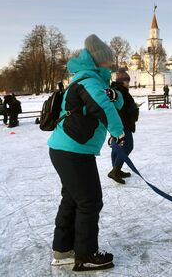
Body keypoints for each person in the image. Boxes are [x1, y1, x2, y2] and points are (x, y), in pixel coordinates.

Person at [47, 34, 125, 272]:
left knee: (73, 199)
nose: (111, 65)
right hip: (73, 151)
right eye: (108, 61)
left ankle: (63, 251)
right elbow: (102, 107)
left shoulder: (93, 80)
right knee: (90, 201)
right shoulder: (89, 81)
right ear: (98, 60)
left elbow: (114, 102)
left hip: (67, 149)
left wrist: (115, 95)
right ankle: (86, 255)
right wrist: (118, 132)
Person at [108, 69, 139, 184]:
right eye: (127, 81)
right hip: (122, 124)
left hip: (117, 123)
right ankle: (115, 170)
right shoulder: (120, 91)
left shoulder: (117, 90)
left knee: (117, 146)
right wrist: (134, 107)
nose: (128, 83)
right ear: (122, 81)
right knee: (128, 146)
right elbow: (122, 108)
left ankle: (116, 169)